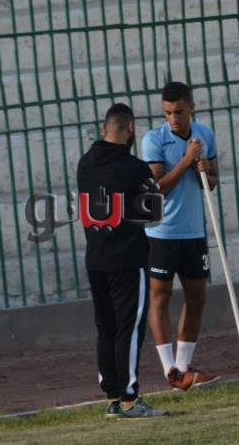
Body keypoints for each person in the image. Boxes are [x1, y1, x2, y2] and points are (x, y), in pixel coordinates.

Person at [77, 102, 168, 418]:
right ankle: (129, 399)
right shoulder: (136, 168)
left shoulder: (84, 164)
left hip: (95, 258)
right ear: (130, 128)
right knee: (129, 328)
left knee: (106, 329)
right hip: (127, 259)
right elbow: (153, 213)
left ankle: (112, 397)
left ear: (104, 128)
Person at [142, 82, 221, 390]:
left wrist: (204, 168)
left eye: (178, 112)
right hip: (162, 232)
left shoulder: (205, 135)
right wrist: (187, 160)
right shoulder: (154, 140)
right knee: (160, 296)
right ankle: (170, 370)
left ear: (191, 108)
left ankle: (184, 367)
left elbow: (212, 182)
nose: (173, 119)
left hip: (193, 230)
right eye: (167, 113)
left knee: (197, 297)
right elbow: (158, 187)